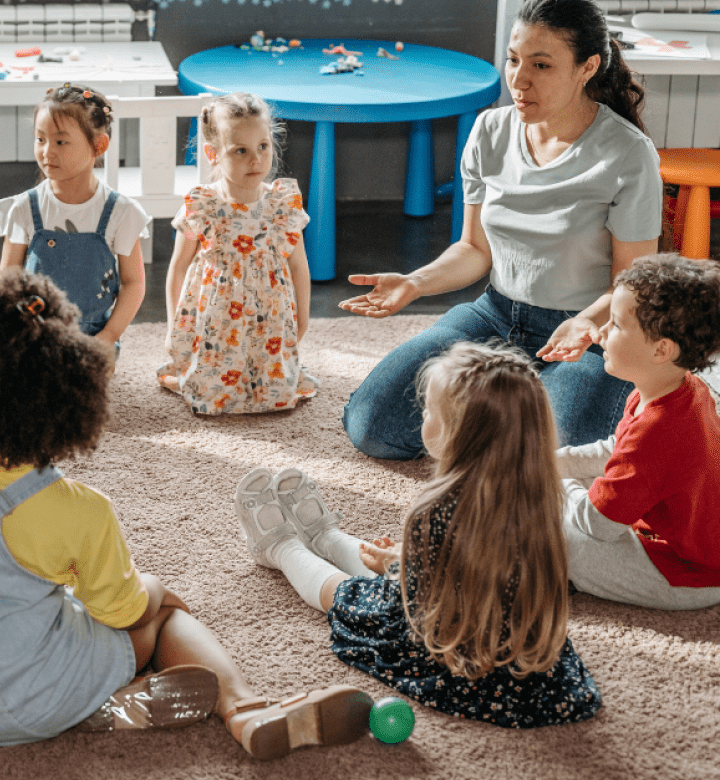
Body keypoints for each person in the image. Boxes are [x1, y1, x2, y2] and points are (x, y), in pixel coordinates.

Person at [0, 268, 374, 759]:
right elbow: (123, 612)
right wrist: (157, 590)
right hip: (34, 699)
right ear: (73, 409)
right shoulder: (81, 509)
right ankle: (245, 710)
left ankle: (90, 702)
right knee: (160, 616)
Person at [340, 0, 661, 459]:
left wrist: (586, 323)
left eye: (542, 65)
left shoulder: (628, 154)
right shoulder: (489, 131)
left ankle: (513, 413)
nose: (518, 79)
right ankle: (511, 410)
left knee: (560, 459)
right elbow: (474, 249)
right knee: (372, 425)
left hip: (587, 333)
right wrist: (415, 282)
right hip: (496, 314)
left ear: (587, 67)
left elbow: (632, 285)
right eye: (513, 60)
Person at [236, 342, 601, 728]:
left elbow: (418, 598)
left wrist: (403, 564)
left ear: (455, 433)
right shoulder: (543, 495)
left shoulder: (437, 510)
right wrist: (404, 561)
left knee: (349, 594)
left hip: (460, 652)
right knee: (385, 573)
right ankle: (325, 537)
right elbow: (476, 568)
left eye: (428, 411)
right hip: (526, 659)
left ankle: (281, 548)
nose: (422, 414)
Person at [558, 255, 720, 609]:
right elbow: (618, 451)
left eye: (615, 325)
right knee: (567, 488)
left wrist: (556, 485)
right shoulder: (678, 388)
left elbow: (596, 526)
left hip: (685, 572)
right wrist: (552, 463)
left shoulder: (659, 429)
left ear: (662, 349)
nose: (599, 332)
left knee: (563, 538)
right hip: (683, 541)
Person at [157, 92, 316, 415]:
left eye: (262, 147)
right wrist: (175, 326)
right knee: (213, 393)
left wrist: (303, 318)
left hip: (269, 322)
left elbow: (299, 266)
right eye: (240, 151)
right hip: (217, 325)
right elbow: (178, 268)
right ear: (213, 153)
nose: (255, 160)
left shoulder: (283, 205)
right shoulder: (201, 206)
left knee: (273, 392)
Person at [0, 84, 147, 355]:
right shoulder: (24, 208)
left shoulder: (121, 212)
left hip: (93, 339)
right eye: (40, 139)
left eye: (61, 141)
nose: (47, 151)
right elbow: (8, 277)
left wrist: (109, 336)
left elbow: (133, 282)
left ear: (98, 145)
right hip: (34, 335)